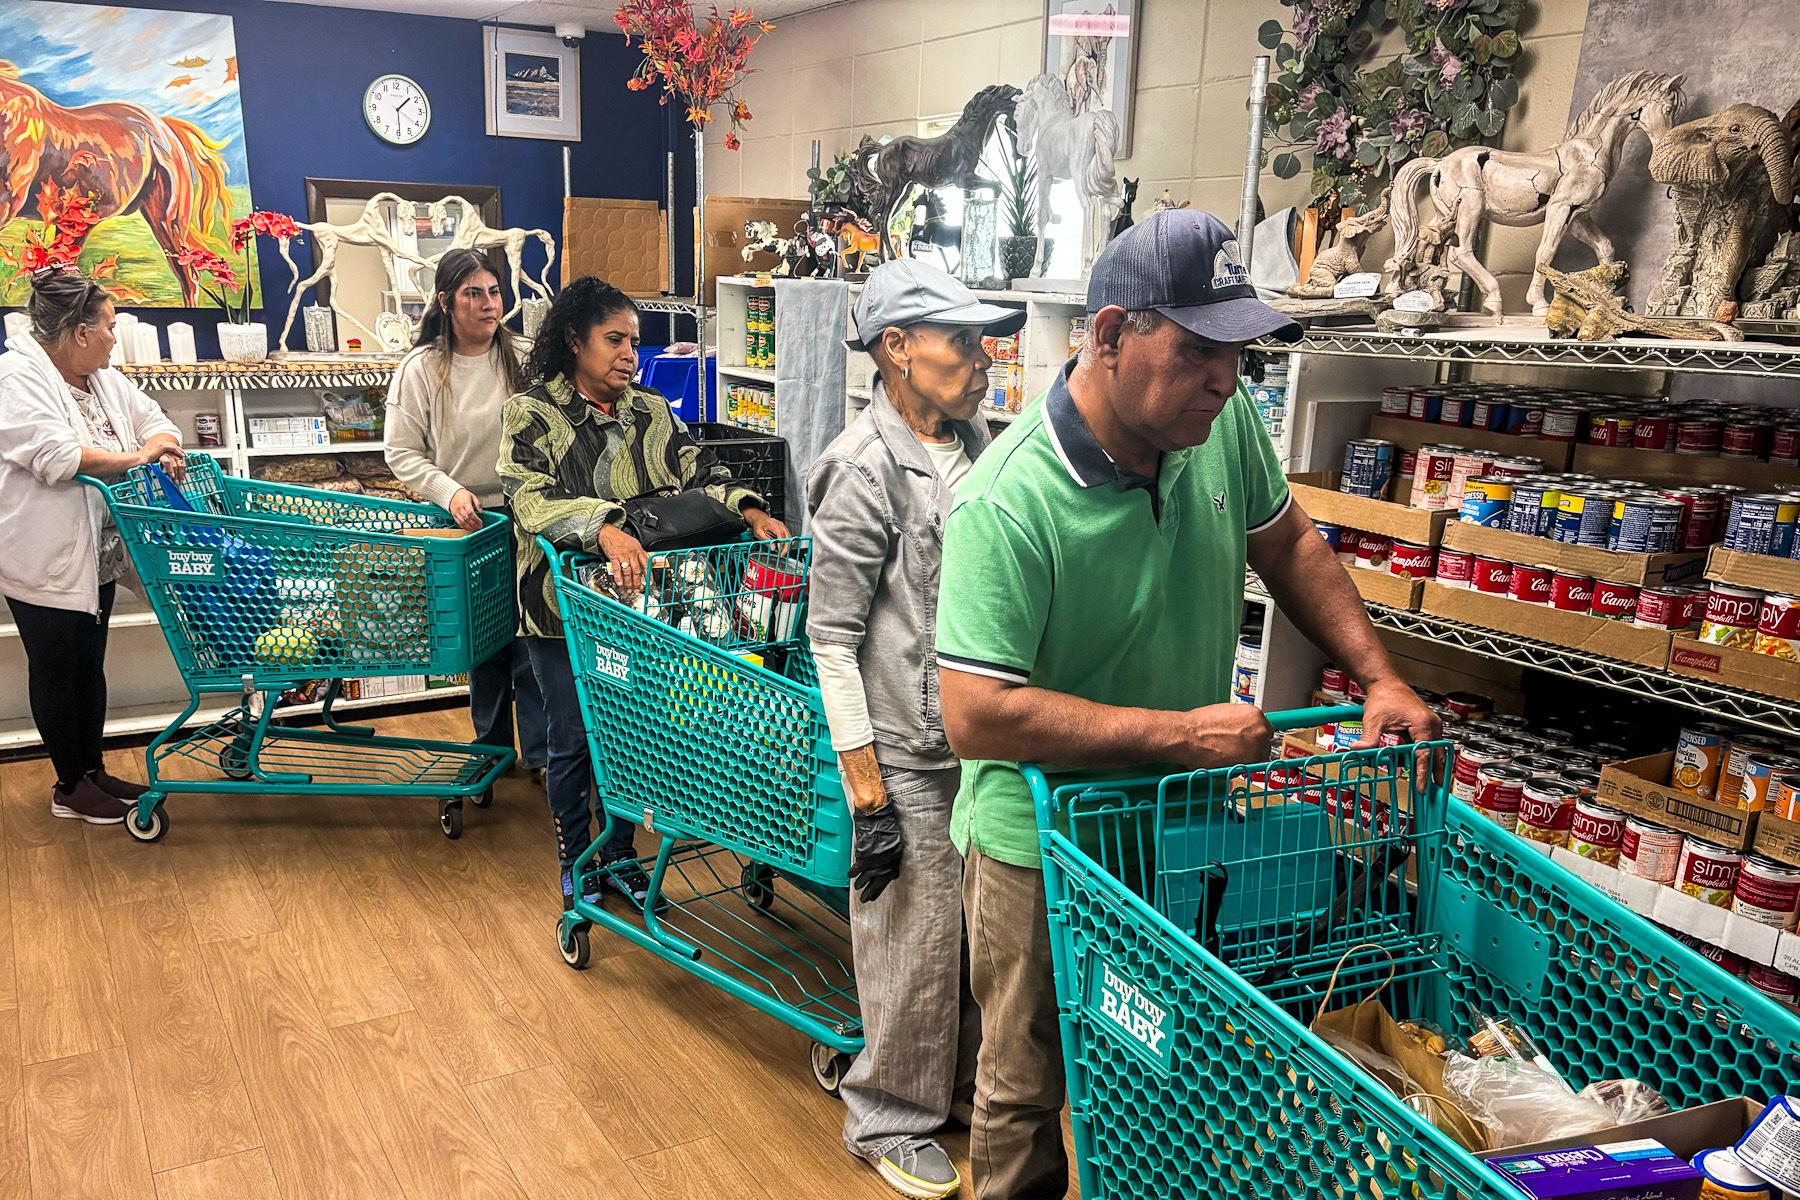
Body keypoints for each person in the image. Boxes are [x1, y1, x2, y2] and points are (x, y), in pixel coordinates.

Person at [934, 210, 1441, 1200]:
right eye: (1202, 352)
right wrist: (1180, 734)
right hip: (1044, 840)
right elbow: (976, 713)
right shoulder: (1009, 500)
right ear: (1112, 334)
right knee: (1026, 1085)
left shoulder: (1218, 427)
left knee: (1164, 1060)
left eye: (1240, 357)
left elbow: (1288, 543)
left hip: (1179, 825)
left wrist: (1380, 675)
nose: (1226, 380)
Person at [807, 260, 1025, 1200]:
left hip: (976, 738)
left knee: (973, 935)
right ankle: (888, 1113)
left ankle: (962, 1086)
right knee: (913, 934)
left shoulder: (978, 442)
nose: (984, 359)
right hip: (903, 746)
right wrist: (869, 795)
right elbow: (831, 637)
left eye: (984, 340)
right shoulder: (863, 467)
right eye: (963, 341)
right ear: (896, 349)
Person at [500, 276, 789, 911]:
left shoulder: (651, 411)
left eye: (634, 340)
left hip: (638, 607)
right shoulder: (532, 413)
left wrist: (750, 511)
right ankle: (577, 861)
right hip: (559, 606)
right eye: (614, 339)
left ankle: (622, 855)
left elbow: (702, 471)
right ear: (575, 341)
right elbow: (527, 494)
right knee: (574, 738)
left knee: (627, 729)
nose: (630, 352)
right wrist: (603, 525)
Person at [0, 265, 186, 823]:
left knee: (89, 663)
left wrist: (160, 445)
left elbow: (156, 420)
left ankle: (92, 769)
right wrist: (139, 459)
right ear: (79, 332)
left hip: (99, 552)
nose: (115, 332)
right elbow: (58, 459)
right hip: (46, 554)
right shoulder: (18, 379)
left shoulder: (102, 377)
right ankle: (68, 786)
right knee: (57, 665)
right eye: (109, 324)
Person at [385, 248, 547, 792]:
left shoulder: (522, 358)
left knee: (534, 637)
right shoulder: (422, 368)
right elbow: (402, 452)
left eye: (494, 291)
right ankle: (492, 751)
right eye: (473, 293)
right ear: (445, 301)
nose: (487, 304)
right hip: (465, 523)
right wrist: (449, 491)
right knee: (485, 645)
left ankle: (542, 754)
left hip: (526, 516)